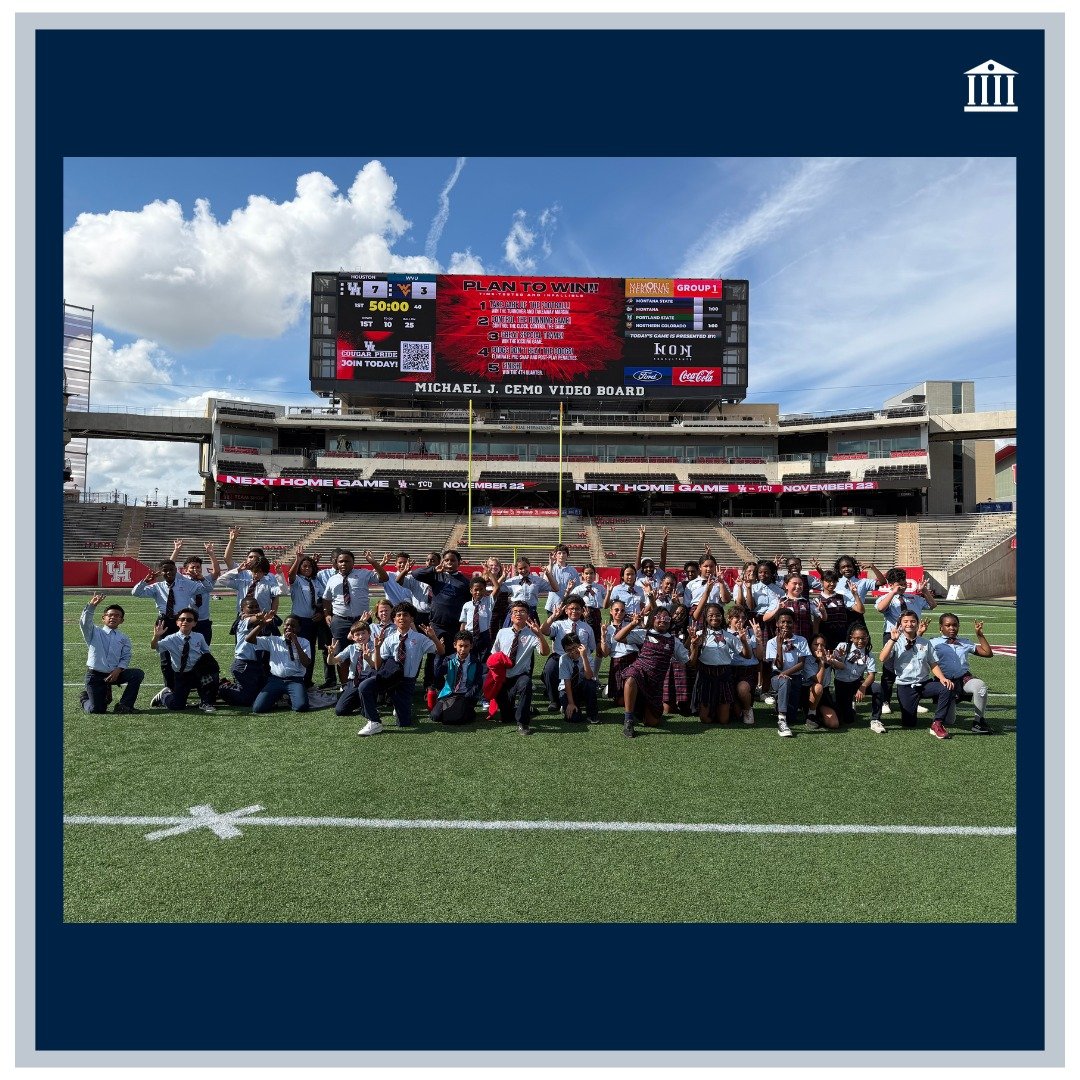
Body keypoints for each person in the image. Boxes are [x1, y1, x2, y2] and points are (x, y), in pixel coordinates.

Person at [356, 602, 444, 736]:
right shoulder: (389, 639)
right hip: (389, 678)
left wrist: (433, 637)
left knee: (404, 723)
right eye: (398, 615)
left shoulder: (419, 638)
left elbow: (440, 651)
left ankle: (401, 709)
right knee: (364, 686)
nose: (402, 618)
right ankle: (374, 721)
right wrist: (378, 648)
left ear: (412, 618)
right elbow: (378, 666)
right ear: (394, 619)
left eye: (405, 615)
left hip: (406, 682)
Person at [613, 607, 690, 737]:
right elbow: (618, 637)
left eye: (666, 618)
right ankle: (628, 719)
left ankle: (639, 708)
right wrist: (633, 624)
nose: (663, 620)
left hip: (656, 682)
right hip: (640, 671)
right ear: (652, 618)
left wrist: (693, 643)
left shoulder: (673, 641)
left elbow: (687, 660)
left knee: (652, 722)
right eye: (659, 617)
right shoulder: (644, 633)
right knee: (631, 677)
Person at [878, 611, 955, 738]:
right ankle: (910, 712)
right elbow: (882, 658)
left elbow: (933, 663)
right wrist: (892, 640)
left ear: (917, 623)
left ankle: (937, 723)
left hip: (924, 683)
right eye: (906, 621)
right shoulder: (896, 641)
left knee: (946, 687)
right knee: (909, 723)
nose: (910, 624)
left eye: (913, 621)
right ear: (900, 624)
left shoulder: (924, 642)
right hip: (906, 685)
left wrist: (942, 678)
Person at [131, 559, 199, 692]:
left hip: (181, 622)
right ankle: (169, 687)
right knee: (165, 657)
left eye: (171, 569)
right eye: (165, 570)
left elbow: (206, 588)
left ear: (176, 570)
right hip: (164, 622)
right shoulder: (157, 586)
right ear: (161, 572)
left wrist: (201, 578)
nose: (168, 572)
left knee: (183, 654)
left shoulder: (185, 584)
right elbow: (135, 593)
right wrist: (146, 581)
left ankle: (184, 685)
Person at [411, 549, 473, 696]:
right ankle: (430, 685)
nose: (449, 563)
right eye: (447, 560)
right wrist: (433, 569)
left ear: (459, 563)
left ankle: (449, 685)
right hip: (436, 625)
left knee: (452, 657)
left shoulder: (464, 582)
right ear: (443, 562)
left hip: (454, 626)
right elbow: (415, 574)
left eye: (453, 560)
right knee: (434, 656)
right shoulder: (436, 576)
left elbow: (468, 604)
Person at [875, 570, 937, 715]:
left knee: (914, 668)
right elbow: (880, 608)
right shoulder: (887, 598)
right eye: (899, 585)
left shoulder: (913, 598)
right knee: (889, 669)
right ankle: (886, 701)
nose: (903, 587)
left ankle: (914, 700)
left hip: (912, 636)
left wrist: (924, 591)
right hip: (893, 636)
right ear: (891, 585)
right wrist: (893, 592)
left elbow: (932, 605)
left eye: (904, 584)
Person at [321, 548, 390, 677]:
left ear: (353, 562)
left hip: (362, 619)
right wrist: (326, 613)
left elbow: (384, 577)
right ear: (336, 563)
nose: (343, 564)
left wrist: (373, 562)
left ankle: (366, 679)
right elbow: (326, 598)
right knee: (340, 653)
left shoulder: (363, 574)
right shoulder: (332, 579)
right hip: (340, 620)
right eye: (340, 561)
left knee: (366, 650)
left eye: (347, 561)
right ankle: (345, 685)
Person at [489, 601, 549, 735]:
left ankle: (523, 722)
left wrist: (539, 634)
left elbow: (545, 653)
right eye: (515, 611)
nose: (518, 614)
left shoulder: (532, 634)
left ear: (527, 615)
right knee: (506, 717)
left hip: (521, 674)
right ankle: (525, 709)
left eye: (522, 611)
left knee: (526, 683)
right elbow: (494, 654)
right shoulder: (502, 632)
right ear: (510, 616)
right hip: (503, 676)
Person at [78, 594, 143, 714]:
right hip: (95, 676)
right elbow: (84, 622)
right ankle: (84, 698)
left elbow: (126, 656)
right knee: (97, 709)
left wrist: (118, 670)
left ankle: (124, 705)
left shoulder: (124, 638)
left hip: (115, 674)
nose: (113, 617)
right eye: (110, 615)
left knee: (137, 674)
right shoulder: (94, 632)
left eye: (117, 616)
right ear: (103, 618)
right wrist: (92, 606)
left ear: (122, 620)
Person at [930, 613, 994, 734]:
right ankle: (948, 703)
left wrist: (979, 635)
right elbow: (917, 650)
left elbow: (987, 653)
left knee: (980, 686)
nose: (952, 628)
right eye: (947, 625)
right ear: (940, 627)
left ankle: (978, 721)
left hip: (963, 679)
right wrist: (920, 633)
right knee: (949, 721)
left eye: (955, 625)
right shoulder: (934, 642)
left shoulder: (965, 642)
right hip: (945, 682)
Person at [149, 608, 220, 712]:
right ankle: (165, 696)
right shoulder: (171, 638)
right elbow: (154, 647)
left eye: (189, 620)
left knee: (211, 672)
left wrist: (207, 666)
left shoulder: (199, 637)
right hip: (181, 674)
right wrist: (156, 636)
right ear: (177, 622)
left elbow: (206, 652)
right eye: (182, 619)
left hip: (197, 672)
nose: (185, 622)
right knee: (177, 706)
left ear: (195, 623)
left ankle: (206, 702)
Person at [688, 602, 746, 725]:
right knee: (705, 720)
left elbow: (747, 655)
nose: (714, 617)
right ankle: (710, 709)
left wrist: (744, 641)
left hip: (724, 676)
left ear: (722, 616)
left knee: (723, 720)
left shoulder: (729, 636)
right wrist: (694, 645)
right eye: (711, 615)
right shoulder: (699, 635)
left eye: (718, 615)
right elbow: (692, 663)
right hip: (706, 676)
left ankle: (727, 710)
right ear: (706, 617)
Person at [540, 596, 597, 712]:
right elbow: (543, 630)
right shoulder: (559, 624)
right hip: (560, 656)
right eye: (571, 608)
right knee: (550, 669)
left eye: (577, 609)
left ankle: (579, 697)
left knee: (585, 676)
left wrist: (581, 657)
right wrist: (553, 616)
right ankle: (554, 700)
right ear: (566, 610)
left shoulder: (587, 628)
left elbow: (591, 647)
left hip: (579, 657)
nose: (574, 611)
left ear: (582, 610)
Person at [249, 613, 312, 714]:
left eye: (293, 626)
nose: (289, 628)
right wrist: (261, 625)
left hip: (295, 680)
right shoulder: (274, 640)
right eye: (287, 625)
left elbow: (306, 663)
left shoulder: (304, 642)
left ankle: (287, 698)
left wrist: (295, 642)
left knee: (301, 707)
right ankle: (280, 698)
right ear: (283, 626)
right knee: (258, 708)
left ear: (299, 629)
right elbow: (249, 639)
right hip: (276, 680)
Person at [763, 610, 810, 737]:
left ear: (793, 624)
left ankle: (782, 707)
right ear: (777, 624)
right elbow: (779, 666)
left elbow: (801, 664)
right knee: (784, 681)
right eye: (782, 622)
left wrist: (785, 673)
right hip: (777, 677)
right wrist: (779, 645)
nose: (786, 625)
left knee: (793, 717)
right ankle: (781, 720)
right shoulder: (772, 642)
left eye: (789, 622)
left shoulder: (801, 640)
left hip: (795, 677)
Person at [217, 598, 271, 707]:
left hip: (258, 665)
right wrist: (260, 617)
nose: (255, 609)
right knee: (246, 700)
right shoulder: (243, 621)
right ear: (243, 609)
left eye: (256, 606)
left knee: (264, 697)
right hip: (244, 665)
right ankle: (221, 687)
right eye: (251, 607)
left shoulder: (260, 622)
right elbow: (253, 619)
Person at [831, 624, 885, 732]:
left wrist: (863, 687)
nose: (860, 641)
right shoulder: (843, 646)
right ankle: (850, 706)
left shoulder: (869, 654)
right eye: (857, 638)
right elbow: (833, 662)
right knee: (848, 719)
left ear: (867, 638)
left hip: (856, 683)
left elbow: (871, 675)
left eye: (863, 638)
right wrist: (838, 657)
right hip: (842, 683)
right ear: (851, 637)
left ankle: (875, 719)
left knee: (877, 688)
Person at [284, 546, 325, 687]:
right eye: (304, 566)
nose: (307, 568)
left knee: (310, 651)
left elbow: (320, 600)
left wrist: (321, 612)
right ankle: (296, 679)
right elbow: (290, 575)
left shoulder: (315, 582)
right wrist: (298, 559)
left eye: (310, 566)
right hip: (298, 620)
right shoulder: (297, 581)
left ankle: (307, 680)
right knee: (296, 649)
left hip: (312, 621)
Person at [430, 630, 484, 725]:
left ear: (471, 646)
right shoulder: (449, 659)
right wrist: (439, 655)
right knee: (435, 716)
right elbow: (437, 673)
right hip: (449, 694)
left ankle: (469, 710)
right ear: (455, 645)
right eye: (460, 646)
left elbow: (478, 683)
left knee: (459, 719)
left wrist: (468, 696)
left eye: (466, 646)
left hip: (466, 695)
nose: (463, 649)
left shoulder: (476, 662)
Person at [330, 616, 376, 718]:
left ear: (369, 634)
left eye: (363, 633)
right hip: (354, 681)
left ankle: (369, 698)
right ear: (353, 637)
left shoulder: (374, 647)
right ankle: (359, 699)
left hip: (368, 680)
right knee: (340, 710)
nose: (360, 637)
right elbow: (332, 662)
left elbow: (376, 666)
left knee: (366, 712)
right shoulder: (351, 648)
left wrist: (368, 659)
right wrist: (331, 655)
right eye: (357, 634)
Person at [725, 605, 764, 725]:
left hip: (748, 669)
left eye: (743, 617)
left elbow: (759, 656)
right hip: (730, 669)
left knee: (742, 689)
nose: (740, 620)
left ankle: (748, 710)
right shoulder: (724, 633)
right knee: (736, 714)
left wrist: (758, 638)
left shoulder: (751, 632)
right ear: (729, 618)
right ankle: (740, 708)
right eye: (736, 617)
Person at [600, 599, 637, 706]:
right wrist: (603, 636)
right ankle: (611, 689)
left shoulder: (631, 625)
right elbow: (605, 653)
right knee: (621, 702)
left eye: (622, 610)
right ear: (611, 611)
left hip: (633, 659)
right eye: (616, 610)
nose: (619, 613)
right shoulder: (607, 628)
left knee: (633, 696)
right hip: (618, 661)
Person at [801, 633, 842, 730]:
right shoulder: (807, 660)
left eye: (822, 645)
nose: (819, 647)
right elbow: (818, 680)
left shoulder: (826, 657)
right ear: (810, 646)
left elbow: (842, 667)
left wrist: (832, 661)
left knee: (834, 724)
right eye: (816, 644)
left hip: (824, 694)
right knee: (818, 687)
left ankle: (819, 714)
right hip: (809, 693)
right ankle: (811, 714)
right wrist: (822, 662)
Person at [557, 631, 599, 725]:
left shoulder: (588, 658)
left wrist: (583, 657)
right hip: (567, 689)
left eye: (574, 647)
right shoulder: (563, 659)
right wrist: (571, 703)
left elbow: (589, 676)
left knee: (591, 684)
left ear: (580, 646)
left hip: (581, 687)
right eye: (568, 650)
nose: (572, 651)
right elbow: (567, 682)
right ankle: (568, 704)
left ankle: (592, 713)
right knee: (574, 718)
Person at [814, 569, 860, 649]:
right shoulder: (816, 600)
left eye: (834, 581)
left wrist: (855, 595)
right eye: (829, 581)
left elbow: (860, 610)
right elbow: (816, 622)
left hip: (842, 635)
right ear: (821, 581)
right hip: (825, 636)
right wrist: (816, 637)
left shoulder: (842, 597)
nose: (832, 584)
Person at [458, 575, 495, 666]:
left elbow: (497, 587)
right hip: (469, 635)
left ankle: (483, 678)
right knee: (470, 659)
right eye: (476, 590)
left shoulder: (488, 602)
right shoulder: (467, 605)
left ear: (485, 589)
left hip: (484, 635)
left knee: (485, 659)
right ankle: (470, 678)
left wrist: (490, 573)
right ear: (471, 590)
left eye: (481, 589)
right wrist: (461, 636)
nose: (478, 592)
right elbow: (463, 622)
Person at [567, 563, 606, 644]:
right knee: (582, 638)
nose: (589, 575)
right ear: (583, 575)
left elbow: (607, 601)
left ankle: (596, 656)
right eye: (586, 573)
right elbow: (570, 600)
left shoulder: (600, 587)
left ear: (595, 574)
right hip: (583, 613)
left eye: (591, 573)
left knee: (597, 640)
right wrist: (569, 590)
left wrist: (609, 591)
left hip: (596, 614)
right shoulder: (578, 589)